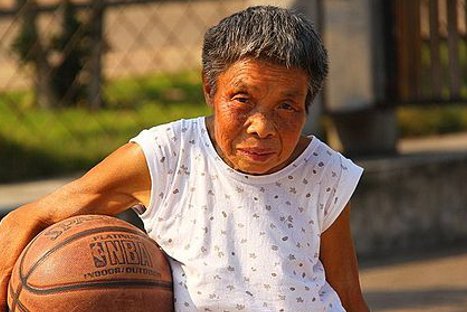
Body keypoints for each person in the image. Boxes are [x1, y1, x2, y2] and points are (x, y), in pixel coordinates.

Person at [0, 5, 369, 312]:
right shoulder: (168, 156)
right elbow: (34, 215)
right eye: (242, 100)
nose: (262, 126)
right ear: (210, 89)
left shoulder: (325, 172)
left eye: (286, 106)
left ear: (307, 105)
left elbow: (347, 292)